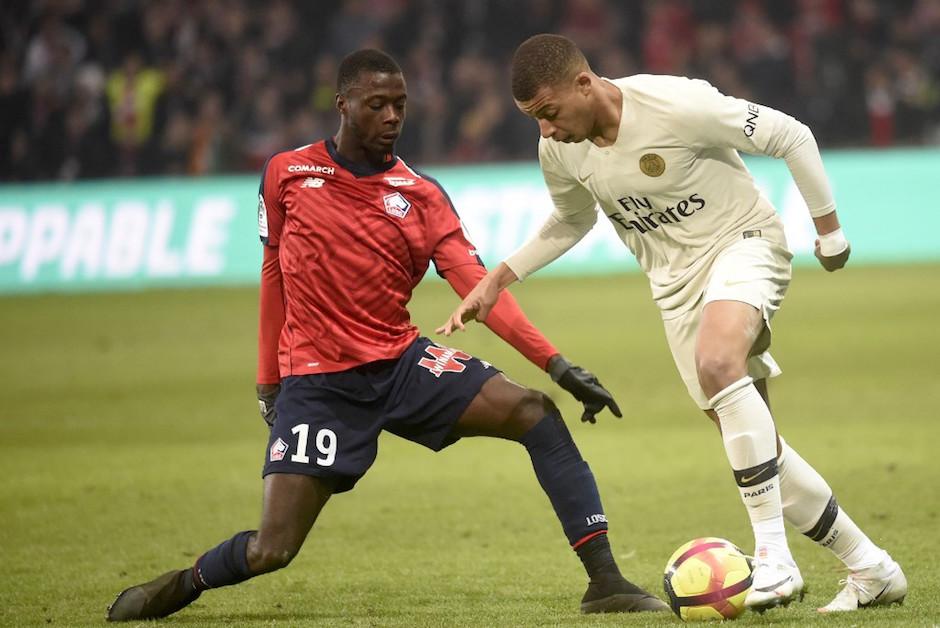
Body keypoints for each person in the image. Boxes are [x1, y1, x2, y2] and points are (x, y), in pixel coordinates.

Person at [105, 49, 669, 622]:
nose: (393, 117)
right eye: (377, 105)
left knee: (535, 413)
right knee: (271, 549)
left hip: (401, 364)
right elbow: (273, 272)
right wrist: (268, 381)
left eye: (400, 104)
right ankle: (181, 584)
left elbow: (477, 288)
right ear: (342, 105)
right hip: (320, 385)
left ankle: (606, 582)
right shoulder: (287, 173)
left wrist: (556, 364)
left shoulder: (421, 196)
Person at [438, 34, 907, 614]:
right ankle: (872, 568)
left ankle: (775, 562)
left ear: (584, 84)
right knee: (755, 445)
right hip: (674, 288)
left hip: (743, 243)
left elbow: (793, 136)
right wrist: (498, 278)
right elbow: (570, 218)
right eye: (535, 120)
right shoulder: (560, 150)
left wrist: (829, 230)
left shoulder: (676, 105)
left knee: (718, 364)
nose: (547, 131)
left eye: (550, 113)